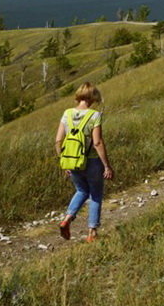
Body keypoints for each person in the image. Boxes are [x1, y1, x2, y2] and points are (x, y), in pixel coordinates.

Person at [55, 82, 114, 242]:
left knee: (81, 190)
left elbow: (58, 140)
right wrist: (107, 166)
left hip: (72, 161)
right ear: (93, 97)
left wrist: (64, 161)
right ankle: (92, 232)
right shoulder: (94, 115)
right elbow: (97, 143)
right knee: (95, 195)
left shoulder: (66, 114)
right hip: (92, 162)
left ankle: (67, 218)